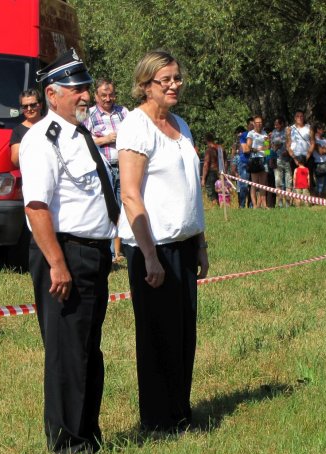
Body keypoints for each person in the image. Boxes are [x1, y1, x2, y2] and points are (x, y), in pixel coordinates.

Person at [19, 49, 119, 454]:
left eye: (86, 88)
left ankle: (88, 435)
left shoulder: (79, 135)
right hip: (65, 255)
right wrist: (58, 264)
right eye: (77, 89)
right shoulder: (42, 139)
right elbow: (36, 207)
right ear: (52, 94)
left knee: (88, 349)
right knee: (67, 354)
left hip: (92, 256)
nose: (86, 96)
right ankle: (68, 446)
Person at [117, 50, 209, 434]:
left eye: (177, 78)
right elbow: (130, 194)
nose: (174, 85)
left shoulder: (181, 125)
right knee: (158, 336)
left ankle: (180, 412)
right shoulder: (135, 127)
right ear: (145, 85)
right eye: (165, 80)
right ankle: (157, 421)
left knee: (183, 333)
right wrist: (150, 256)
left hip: (184, 245)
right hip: (152, 248)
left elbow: (191, 190)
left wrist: (200, 244)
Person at [84, 78, 129, 262]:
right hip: (103, 168)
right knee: (108, 208)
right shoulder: (88, 115)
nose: (108, 99)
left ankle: (124, 248)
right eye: (104, 95)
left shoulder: (124, 112)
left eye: (111, 95)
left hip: (125, 167)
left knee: (126, 206)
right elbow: (84, 141)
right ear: (96, 96)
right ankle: (110, 251)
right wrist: (106, 139)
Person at [10, 88, 43, 167]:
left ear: (41, 105)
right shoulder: (18, 130)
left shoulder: (51, 124)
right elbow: (15, 161)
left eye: (33, 105)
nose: (29, 109)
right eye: (25, 106)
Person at [246, 115, 268, 208]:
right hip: (254, 159)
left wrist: (265, 150)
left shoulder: (265, 133)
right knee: (254, 183)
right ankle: (255, 205)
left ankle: (264, 204)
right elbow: (248, 147)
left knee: (263, 183)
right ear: (254, 124)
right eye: (257, 122)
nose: (259, 124)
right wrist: (258, 149)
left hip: (264, 158)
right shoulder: (250, 134)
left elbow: (267, 148)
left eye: (260, 122)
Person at [270, 117, 289, 207]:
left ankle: (288, 203)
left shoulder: (287, 132)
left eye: (277, 124)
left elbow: (292, 144)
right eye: (275, 124)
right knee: (278, 182)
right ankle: (280, 203)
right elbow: (269, 147)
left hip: (287, 160)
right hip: (277, 160)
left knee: (288, 182)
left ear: (282, 124)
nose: (275, 126)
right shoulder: (273, 133)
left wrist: (288, 151)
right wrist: (269, 156)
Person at [201, 133, 224, 206]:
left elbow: (206, 165)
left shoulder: (209, 150)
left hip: (211, 173)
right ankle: (220, 207)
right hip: (220, 172)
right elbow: (225, 162)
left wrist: (203, 178)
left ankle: (215, 208)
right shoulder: (220, 149)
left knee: (212, 195)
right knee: (220, 193)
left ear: (206, 140)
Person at [230, 125, 250, 208]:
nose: (237, 135)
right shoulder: (237, 142)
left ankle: (251, 205)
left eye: (238, 133)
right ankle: (241, 205)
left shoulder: (246, 139)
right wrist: (233, 171)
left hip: (246, 162)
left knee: (246, 186)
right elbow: (233, 157)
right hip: (240, 164)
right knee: (240, 186)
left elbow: (266, 150)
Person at [312, 123, 326, 199]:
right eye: (322, 129)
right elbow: (321, 152)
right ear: (318, 130)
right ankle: (317, 200)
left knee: (325, 184)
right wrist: (324, 149)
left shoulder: (325, 139)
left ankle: (323, 201)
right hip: (319, 163)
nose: (323, 130)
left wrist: (325, 149)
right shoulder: (315, 140)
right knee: (320, 184)